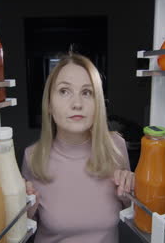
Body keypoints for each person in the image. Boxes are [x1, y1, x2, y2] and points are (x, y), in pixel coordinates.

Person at [22, 53, 135, 243]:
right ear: (49, 104)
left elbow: (132, 214)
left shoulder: (116, 147)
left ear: (97, 103)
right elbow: (21, 229)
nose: (77, 104)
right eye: (64, 91)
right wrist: (26, 214)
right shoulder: (32, 157)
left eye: (87, 92)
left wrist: (131, 195)